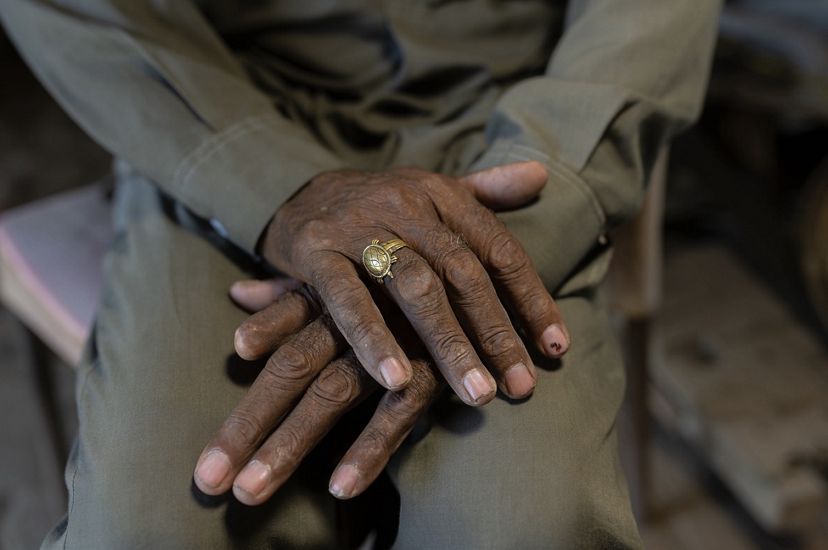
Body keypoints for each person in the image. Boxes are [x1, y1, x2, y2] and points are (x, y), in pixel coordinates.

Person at [0, 0, 720, 547]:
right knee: (149, 524)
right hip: (216, 107)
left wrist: (457, 264)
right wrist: (278, 189)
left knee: (526, 521)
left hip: (512, 136)